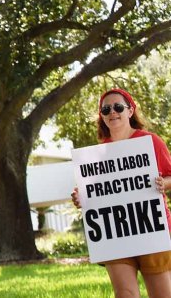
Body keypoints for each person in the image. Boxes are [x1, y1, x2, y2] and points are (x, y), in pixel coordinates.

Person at [71, 88, 171, 298]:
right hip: (114, 234)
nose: (112, 112)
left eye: (118, 107)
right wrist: (81, 198)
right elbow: (95, 193)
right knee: (125, 294)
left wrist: (165, 183)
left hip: (152, 228)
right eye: (106, 109)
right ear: (102, 116)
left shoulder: (150, 141)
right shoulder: (97, 155)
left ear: (130, 111)